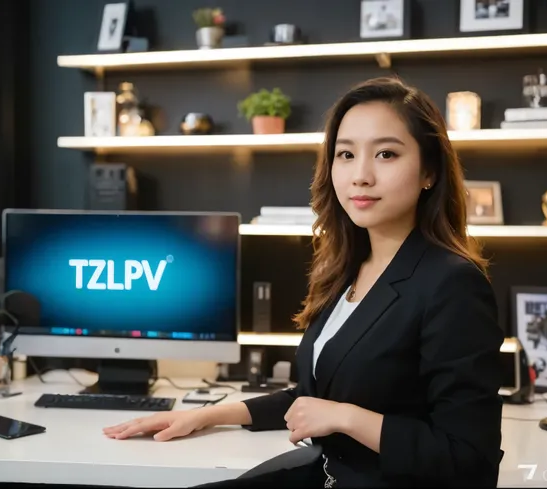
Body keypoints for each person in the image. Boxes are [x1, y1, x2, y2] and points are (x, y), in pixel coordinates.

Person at [103, 76, 505, 487]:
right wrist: (204, 415)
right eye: (345, 154)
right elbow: (310, 400)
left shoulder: (453, 284)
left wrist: (348, 418)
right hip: (326, 473)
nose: (360, 175)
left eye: (386, 154)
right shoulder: (349, 267)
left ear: (430, 172)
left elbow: (470, 457)